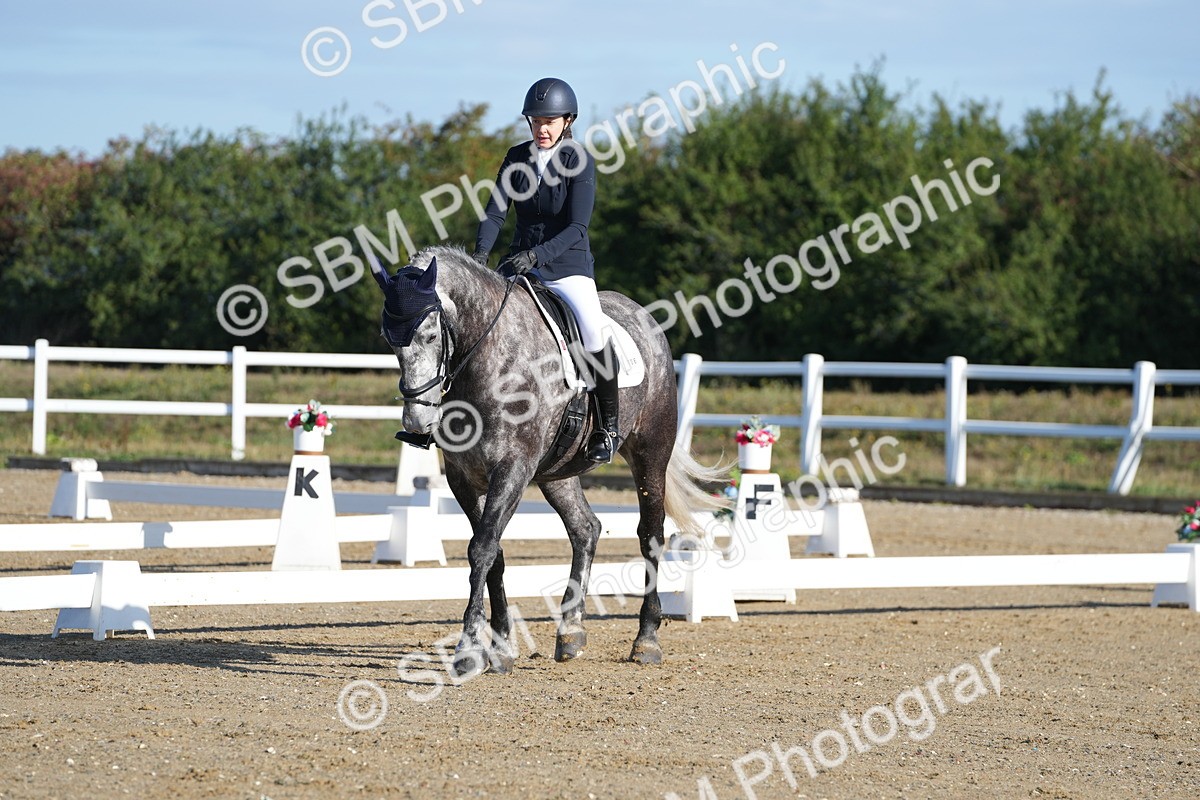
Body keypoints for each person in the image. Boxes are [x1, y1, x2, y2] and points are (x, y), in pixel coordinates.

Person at [473, 77, 620, 464]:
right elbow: (496, 211)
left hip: (567, 266)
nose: (541, 129)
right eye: (536, 121)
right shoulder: (516, 157)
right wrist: (480, 256)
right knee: (478, 323)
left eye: (549, 122)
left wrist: (537, 256)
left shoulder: (578, 160)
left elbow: (578, 227)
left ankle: (608, 428)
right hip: (519, 264)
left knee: (592, 329)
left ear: (567, 121)